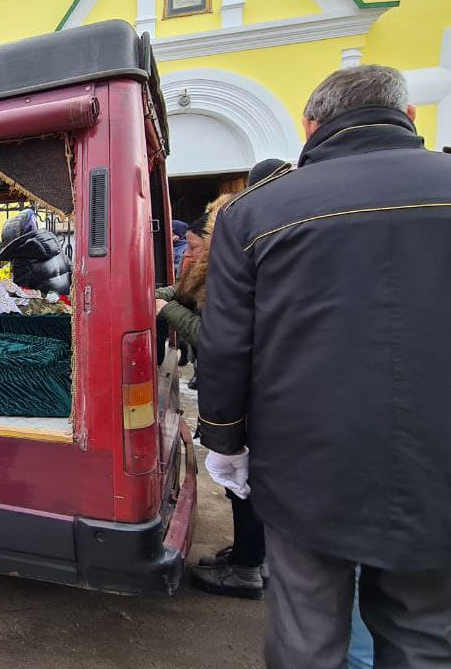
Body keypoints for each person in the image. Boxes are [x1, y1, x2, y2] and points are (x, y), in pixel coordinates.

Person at [197, 64, 451, 668]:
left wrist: (226, 442)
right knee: (425, 635)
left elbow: (226, 345)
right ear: (411, 117)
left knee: (307, 634)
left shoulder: (257, 212)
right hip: (450, 459)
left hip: (305, 463)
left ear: (310, 124)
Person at [155, 160, 286, 600]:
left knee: (244, 475)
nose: (187, 254)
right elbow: (188, 292)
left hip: (249, 391)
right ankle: (250, 554)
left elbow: (212, 335)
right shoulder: (233, 258)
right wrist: (164, 295)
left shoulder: (237, 263)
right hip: (252, 389)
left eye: (194, 246)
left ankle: (248, 566)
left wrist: (165, 310)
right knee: (244, 481)